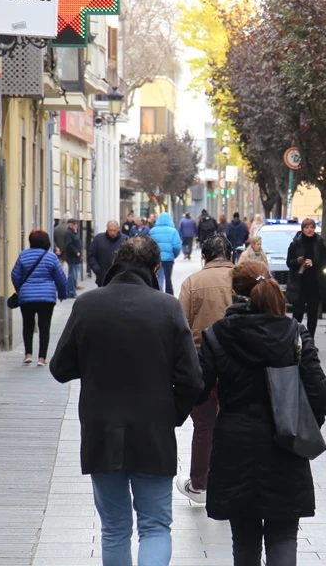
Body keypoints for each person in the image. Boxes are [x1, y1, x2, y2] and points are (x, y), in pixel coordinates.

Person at [48, 236, 204, 566]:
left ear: (117, 261)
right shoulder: (167, 308)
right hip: (154, 433)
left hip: (101, 432)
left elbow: (60, 368)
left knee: (115, 528)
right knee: (156, 527)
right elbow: (192, 378)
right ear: (156, 267)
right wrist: (171, 414)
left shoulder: (87, 305)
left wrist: (92, 362)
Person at [198, 260, 326, 566]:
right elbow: (319, 394)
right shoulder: (295, 333)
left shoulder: (217, 335)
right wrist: (301, 424)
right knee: (283, 535)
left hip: (235, 445)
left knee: (244, 540)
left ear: (235, 293)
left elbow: (198, 388)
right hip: (285, 445)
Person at [175, 235, 236, 505]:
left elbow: (180, 326)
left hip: (203, 362)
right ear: (230, 254)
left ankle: (200, 484)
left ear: (204, 257)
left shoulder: (193, 282)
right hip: (240, 362)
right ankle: (232, 482)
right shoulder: (245, 278)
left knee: (204, 426)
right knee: (237, 422)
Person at [11, 230, 68, 366]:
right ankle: (42, 358)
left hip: (27, 298)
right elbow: (60, 277)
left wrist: (21, 289)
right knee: (44, 326)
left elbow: (15, 275)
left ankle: (28, 354)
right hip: (46, 298)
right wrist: (62, 293)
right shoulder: (51, 257)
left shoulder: (23, 255)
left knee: (28, 324)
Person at [286, 218, 326, 339]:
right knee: (298, 313)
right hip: (299, 283)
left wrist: (313, 262)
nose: (309, 230)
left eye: (312, 227)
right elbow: (289, 263)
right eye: (307, 227)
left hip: (314, 283)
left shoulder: (319, 243)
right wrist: (298, 261)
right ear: (302, 229)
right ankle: (296, 339)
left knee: (312, 313)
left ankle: (310, 340)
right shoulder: (295, 243)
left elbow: (325, 262)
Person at [149, 212, 183, 295]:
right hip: (168, 259)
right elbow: (177, 246)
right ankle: (169, 296)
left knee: (157, 278)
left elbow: (149, 245)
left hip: (156, 259)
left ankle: (157, 294)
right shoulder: (173, 231)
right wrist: (173, 255)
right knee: (168, 279)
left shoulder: (152, 231)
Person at [88, 220, 127, 287]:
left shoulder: (125, 239)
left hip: (120, 277)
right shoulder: (98, 239)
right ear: (107, 229)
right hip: (103, 276)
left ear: (118, 229)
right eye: (110, 230)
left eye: (114, 230)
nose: (112, 232)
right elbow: (91, 255)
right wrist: (97, 269)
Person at [63, 219, 84, 296]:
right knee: (72, 275)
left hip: (76, 258)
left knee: (74, 275)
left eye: (77, 224)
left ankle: (72, 291)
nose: (76, 225)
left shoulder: (74, 233)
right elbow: (69, 245)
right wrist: (76, 252)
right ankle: (70, 291)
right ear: (69, 224)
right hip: (72, 257)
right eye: (74, 224)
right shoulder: (69, 233)